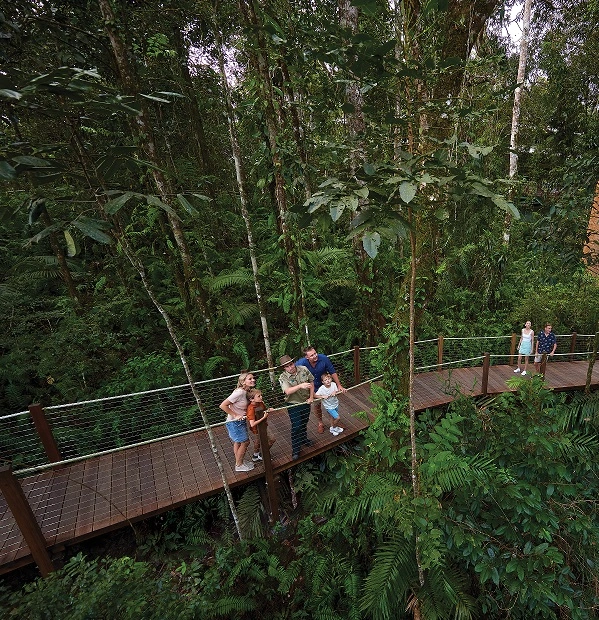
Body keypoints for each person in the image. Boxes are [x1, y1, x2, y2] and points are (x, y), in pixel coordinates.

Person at [296, 346, 346, 434]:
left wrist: (339, 385)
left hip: (326, 384)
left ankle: (334, 423)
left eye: (315, 353)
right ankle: (320, 423)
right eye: (311, 355)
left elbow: (332, 371)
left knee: (332, 402)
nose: (315, 356)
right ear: (307, 357)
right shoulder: (301, 363)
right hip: (312, 387)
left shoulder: (323, 358)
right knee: (317, 405)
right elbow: (293, 372)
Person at [278, 354, 314, 461]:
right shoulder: (283, 377)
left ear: (293, 363)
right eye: (287, 366)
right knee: (296, 425)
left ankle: (304, 439)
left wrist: (311, 397)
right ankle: (296, 449)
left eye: (291, 364)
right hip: (293, 404)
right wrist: (300, 386)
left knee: (304, 421)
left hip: (305, 402)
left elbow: (311, 381)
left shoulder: (303, 369)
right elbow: (287, 391)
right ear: (284, 368)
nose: (291, 367)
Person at [219, 372, 255, 472]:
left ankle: (239, 461)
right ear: (243, 382)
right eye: (250, 379)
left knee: (238, 442)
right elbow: (223, 405)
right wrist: (236, 415)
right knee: (245, 442)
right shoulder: (239, 392)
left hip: (239, 421)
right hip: (234, 422)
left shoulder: (246, 391)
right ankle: (239, 465)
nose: (253, 380)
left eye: (253, 378)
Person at [246, 388, 275, 462]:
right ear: (252, 399)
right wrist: (264, 418)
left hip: (264, 425)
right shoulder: (250, 409)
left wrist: (269, 410)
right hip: (257, 428)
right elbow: (252, 424)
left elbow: (264, 411)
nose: (261, 397)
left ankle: (256, 455)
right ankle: (262, 454)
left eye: (261, 395)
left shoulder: (260, 403)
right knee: (272, 439)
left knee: (258, 441)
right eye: (259, 396)